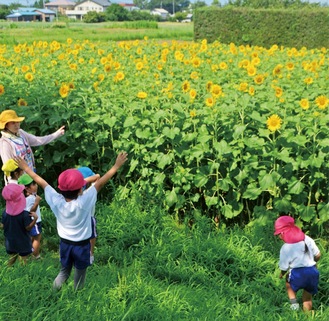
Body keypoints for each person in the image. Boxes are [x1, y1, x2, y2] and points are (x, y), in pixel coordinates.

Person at [14, 152, 128, 291]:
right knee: (80, 275)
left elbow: (41, 181)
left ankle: (52, 293)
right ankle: (77, 298)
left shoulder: (56, 201)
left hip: (65, 244)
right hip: (82, 246)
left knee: (64, 273)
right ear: (81, 188)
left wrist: (26, 168)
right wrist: (116, 165)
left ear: (61, 189)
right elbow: (101, 181)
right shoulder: (84, 201)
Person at [274, 215, 321, 312]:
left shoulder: (286, 247)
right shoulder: (307, 239)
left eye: (279, 234)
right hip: (312, 273)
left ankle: (294, 304)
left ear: (283, 233)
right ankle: (307, 317)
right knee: (307, 298)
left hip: (297, 274)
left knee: (288, 282)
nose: (279, 237)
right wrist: (313, 263)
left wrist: (282, 274)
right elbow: (318, 255)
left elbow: (284, 267)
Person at [0, 109, 65, 175]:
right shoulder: (5, 143)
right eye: (13, 123)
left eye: (17, 122)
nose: (17, 125)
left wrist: (57, 134)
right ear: (6, 125)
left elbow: (38, 140)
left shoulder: (21, 133)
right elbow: (8, 168)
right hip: (20, 180)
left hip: (31, 175)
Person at [1, 183, 38, 266]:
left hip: (10, 241)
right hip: (23, 242)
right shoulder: (25, 214)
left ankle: (7, 272)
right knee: (24, 261)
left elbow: (2, 225)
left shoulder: (5, 213)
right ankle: (24, 276)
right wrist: (35, 219)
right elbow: (28, 228)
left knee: (11, 259)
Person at [77, 167, 100, 265]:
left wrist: (81, 181)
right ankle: (88, 254)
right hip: (85, 218)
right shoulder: (89, 190)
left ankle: (89, 254)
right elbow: (98, 176)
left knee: (88, 237)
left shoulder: (90, 189)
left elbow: (97, 177)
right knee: (88, 237)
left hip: (83, 218)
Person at [18, 173, 42, 260]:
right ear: (27, 188)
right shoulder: (31, 198)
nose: (36, 185)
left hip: (29, 222)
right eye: (34, 184)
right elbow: (31, 211)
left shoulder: (24, 198)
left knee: (31, 238)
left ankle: (27, 253)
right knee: (37, 238)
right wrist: (37, 202)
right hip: (34, 221)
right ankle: (36, 256)